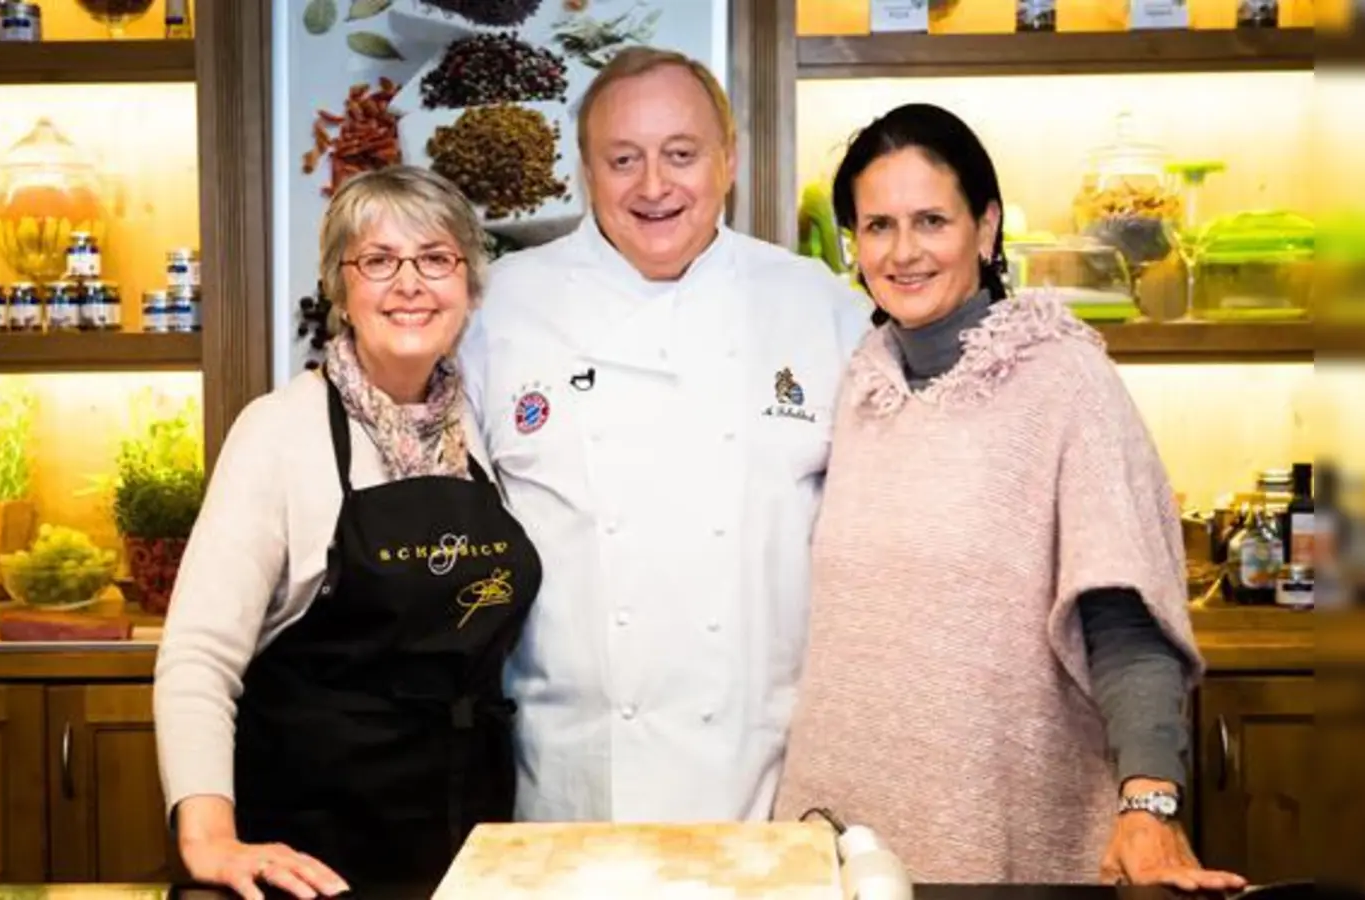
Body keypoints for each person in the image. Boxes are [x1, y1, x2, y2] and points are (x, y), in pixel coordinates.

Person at [771, 103, 1249, 890]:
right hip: (843, 830)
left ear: (986, 228)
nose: (903, 251)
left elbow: (1126, 622)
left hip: (1001, 829)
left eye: (932, 220)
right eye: (878, 226)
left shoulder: (1066, 383)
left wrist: (1150, 804)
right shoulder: (861, 380)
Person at [460, 47, 869, 823]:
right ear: (587, 171)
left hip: (763, 779)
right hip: (568, 779)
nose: (654, 186)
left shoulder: (817, 306)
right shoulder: (500, 310)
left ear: (729, 162)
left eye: (681, 155)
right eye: (624, 159)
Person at [153, 165, 542, 898]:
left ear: (469, 285)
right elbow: (199, 658)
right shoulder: (278, 432)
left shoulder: (483, 426)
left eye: (435, 259)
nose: (410, 284)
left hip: (470, 838)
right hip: (315, 851)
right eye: (378, 261)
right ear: (340, 287)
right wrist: (208, 840)